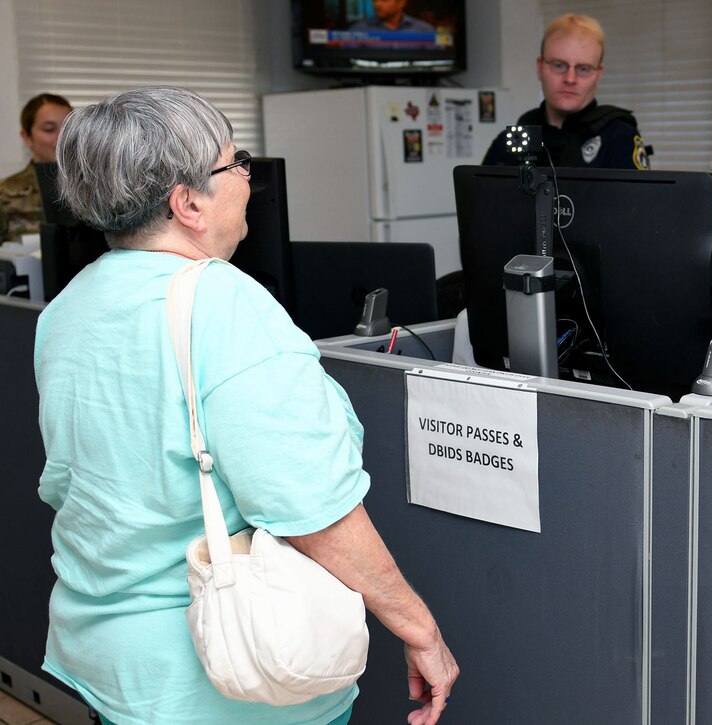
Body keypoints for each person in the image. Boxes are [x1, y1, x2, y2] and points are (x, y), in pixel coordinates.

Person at [35, 87, 458, 725]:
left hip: (108, 663)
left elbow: (73, 483)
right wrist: (420, 627)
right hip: (217, 680)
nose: (246, 183)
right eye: (235, 166)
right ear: (187, 203)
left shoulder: (68, 308)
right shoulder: (225, 305)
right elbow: (310, 505)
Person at [482, 14, 650, 170]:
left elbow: (640, 201)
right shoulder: (516, 138)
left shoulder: (619, 138)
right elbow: (480, 200)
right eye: (559, 65)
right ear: (540, 68)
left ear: (598, 75)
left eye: (583, 69)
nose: (570, 78)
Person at [0, 93, 72, 242]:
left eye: (68, 128)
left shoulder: (93, 186)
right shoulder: (5, 193)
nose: (61, 137)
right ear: (27, 137)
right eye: (49, 129)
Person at [350, 0, 435, 33]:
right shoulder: (358, 30)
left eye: (384, 0)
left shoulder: (425, 30)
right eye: (375, 0)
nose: (377, 5)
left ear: (401, 3)